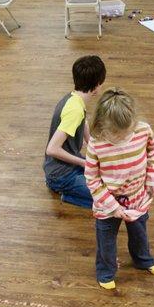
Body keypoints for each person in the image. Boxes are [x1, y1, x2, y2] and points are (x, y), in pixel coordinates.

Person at [85, 88, 154, 290]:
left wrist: (153, 178)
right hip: (107, 205)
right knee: (106, 241)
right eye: (116, 133)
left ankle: (142, 259)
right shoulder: (96, 143)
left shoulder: (143, 130)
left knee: (139, 233)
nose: (122, 137)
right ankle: (106, 271)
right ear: (101, 125)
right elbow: (92, 178)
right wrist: (111, 206)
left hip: (138, 197)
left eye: (127, 131)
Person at [44, 55, 106, 209]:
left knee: (105, 177)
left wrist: (96, 149)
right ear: (97, 84)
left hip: (65, 167)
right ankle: (67, 193)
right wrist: (84, 162)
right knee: (108, 200)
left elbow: (83, 123)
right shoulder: (75, 110)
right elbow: (52, 149)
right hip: (62, 175)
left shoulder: (74, 99)